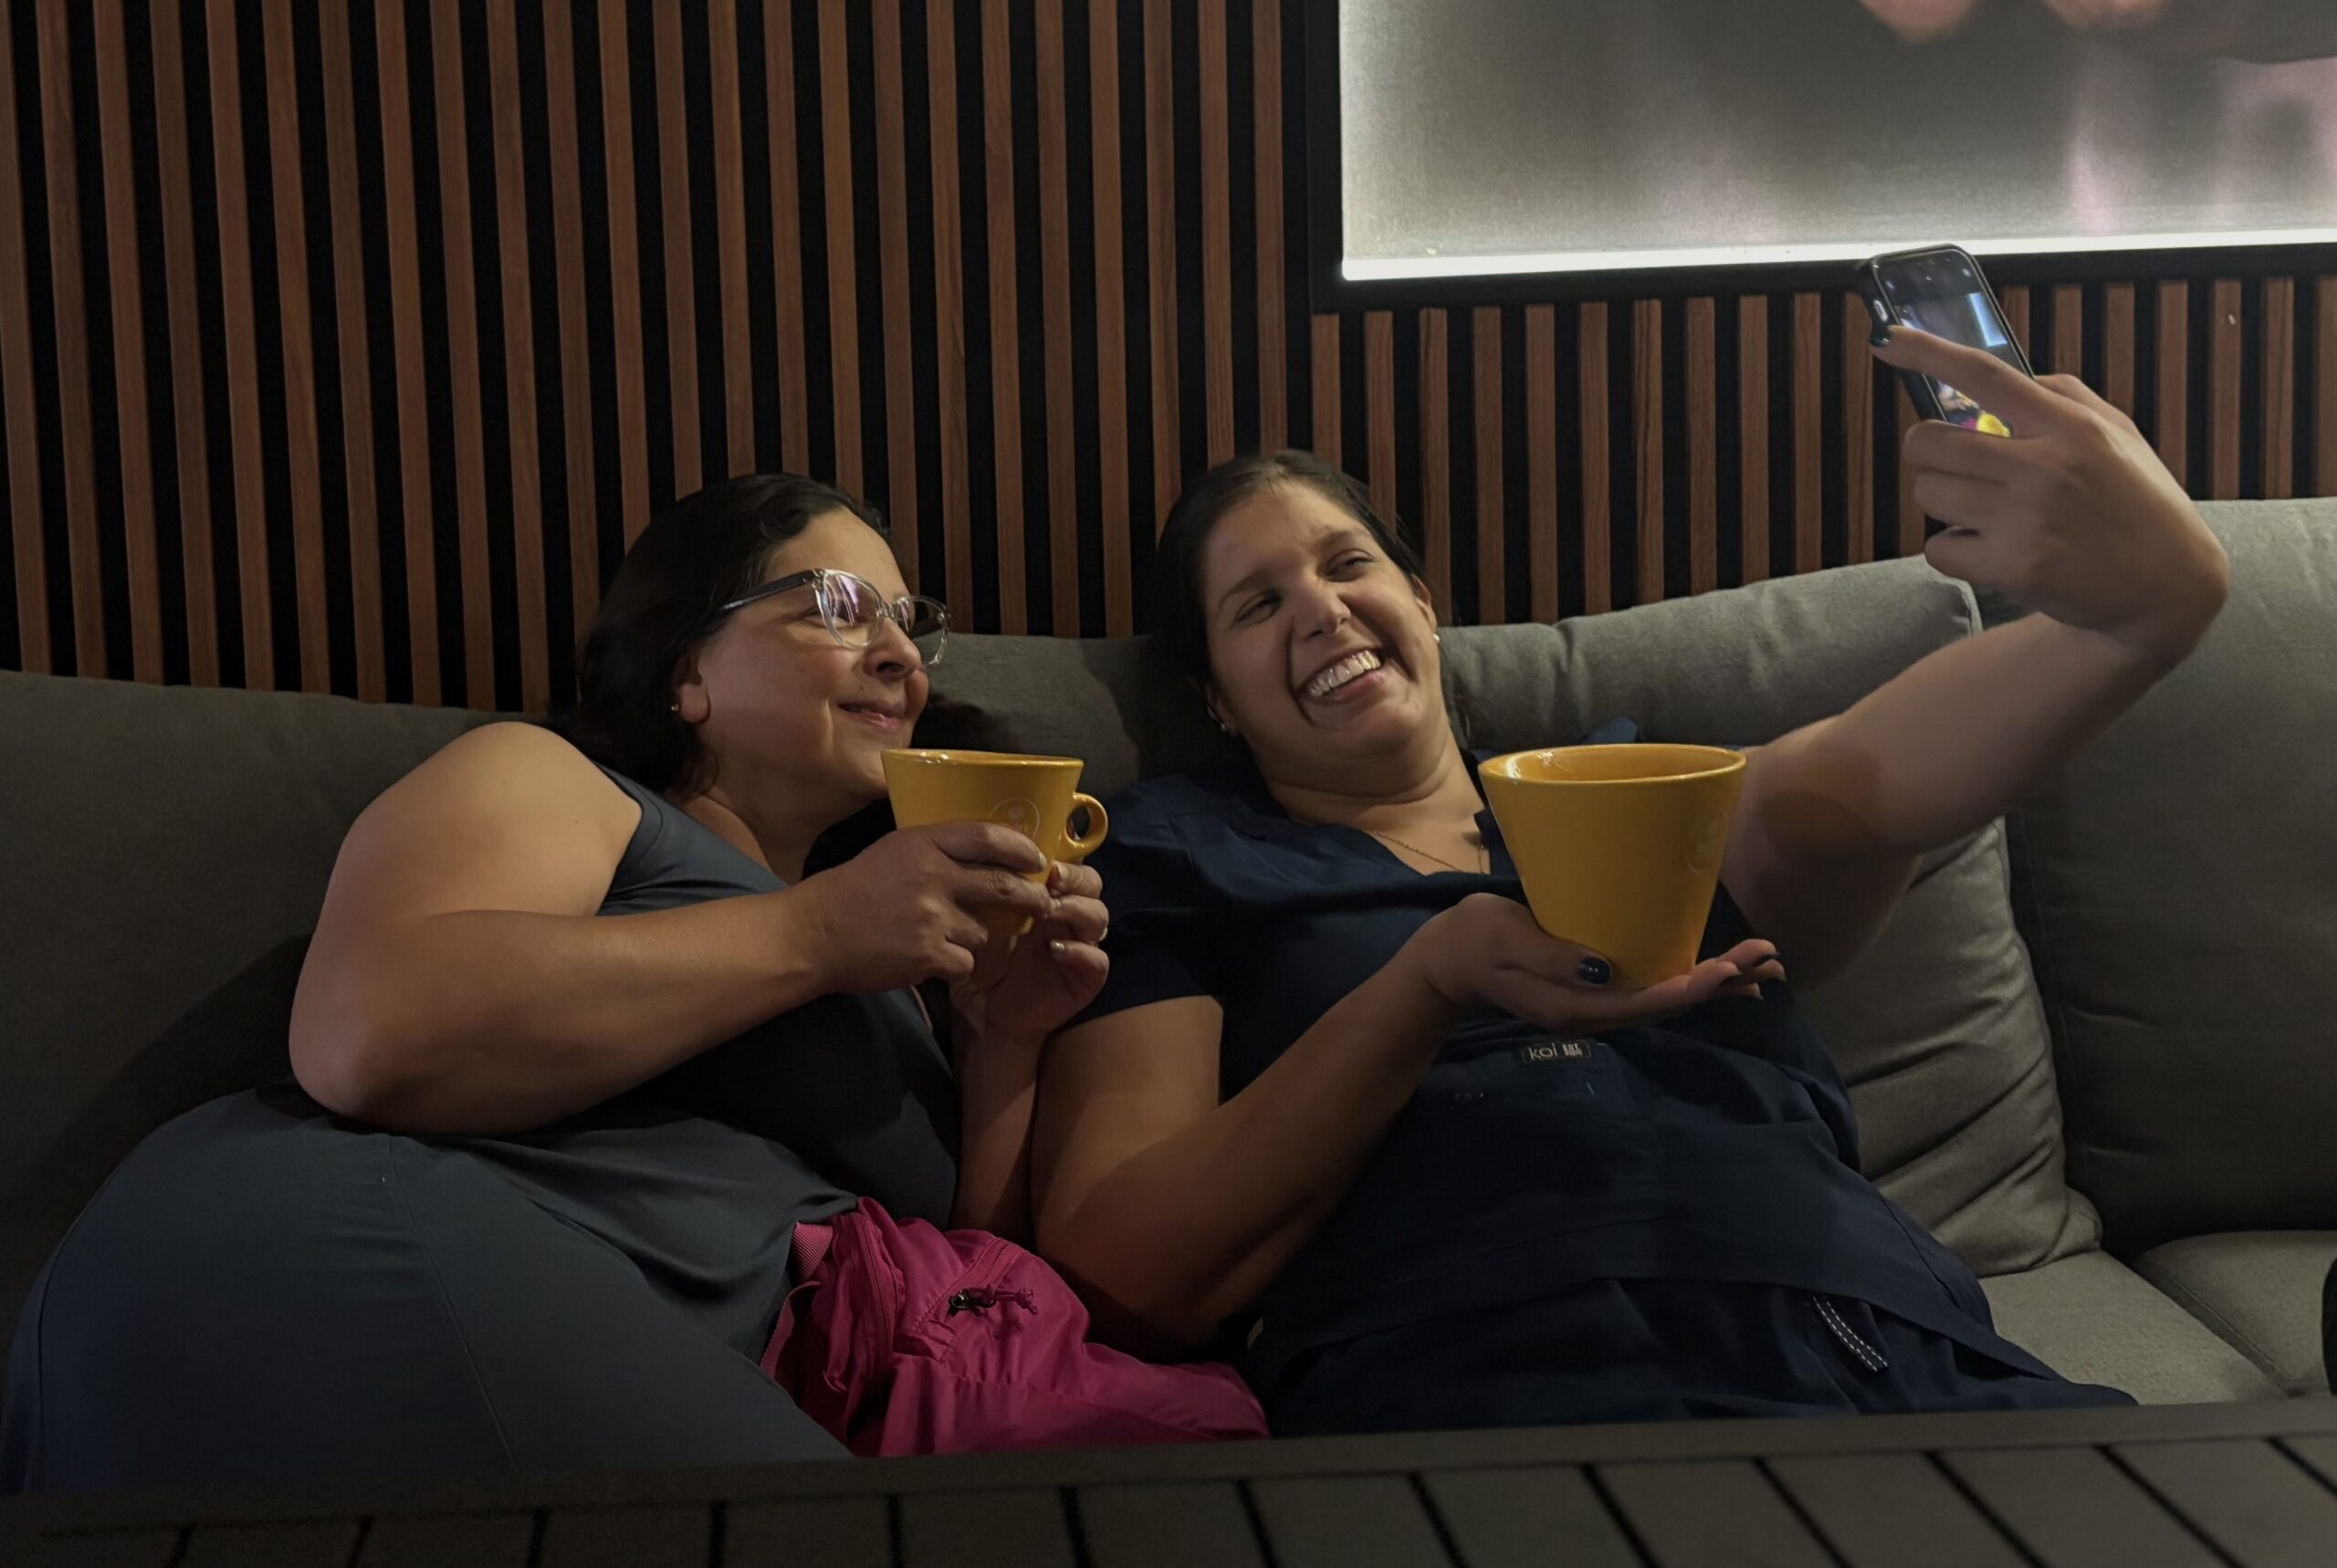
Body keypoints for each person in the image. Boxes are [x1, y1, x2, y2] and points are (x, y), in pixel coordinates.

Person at [1029, 329, 2230, 1436]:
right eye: (1257, 605)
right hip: (1462, 1374)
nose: (1321, 610)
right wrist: (1425, 983)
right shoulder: (1171, 854)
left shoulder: (1638, 791)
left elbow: (1856, 779)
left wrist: (2143, 616)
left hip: (1858, 1337)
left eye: (1349, 563)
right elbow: (1129, 1273)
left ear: (1423, 605)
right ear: (1214, 697)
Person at [2, 475, 1109, 1491]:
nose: (900, 653)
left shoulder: (889, 945)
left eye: (909, 622)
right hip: (345, 1231)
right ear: (686, 671)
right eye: (838, 605)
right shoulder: (569, 785)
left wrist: (999, 1037)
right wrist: (818, 930)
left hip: (610, 1334)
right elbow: (367, 1029)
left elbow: (967, 1288)